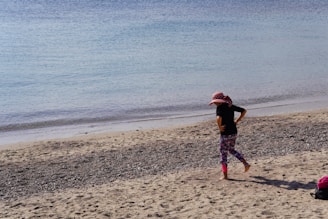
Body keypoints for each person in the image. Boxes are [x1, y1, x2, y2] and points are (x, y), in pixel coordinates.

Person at [209, 92, 250, 180]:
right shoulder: (229, 105)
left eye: (215, 102)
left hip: (225, 134)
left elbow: (218, 118)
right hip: (233, 132)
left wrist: (220, 127)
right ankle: (246, 164)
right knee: (231, 150)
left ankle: (225, 175)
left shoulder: (220, 108)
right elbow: (244, 111)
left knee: (223, 153)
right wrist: (237, 121)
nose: (215, 104)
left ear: (219, 101)